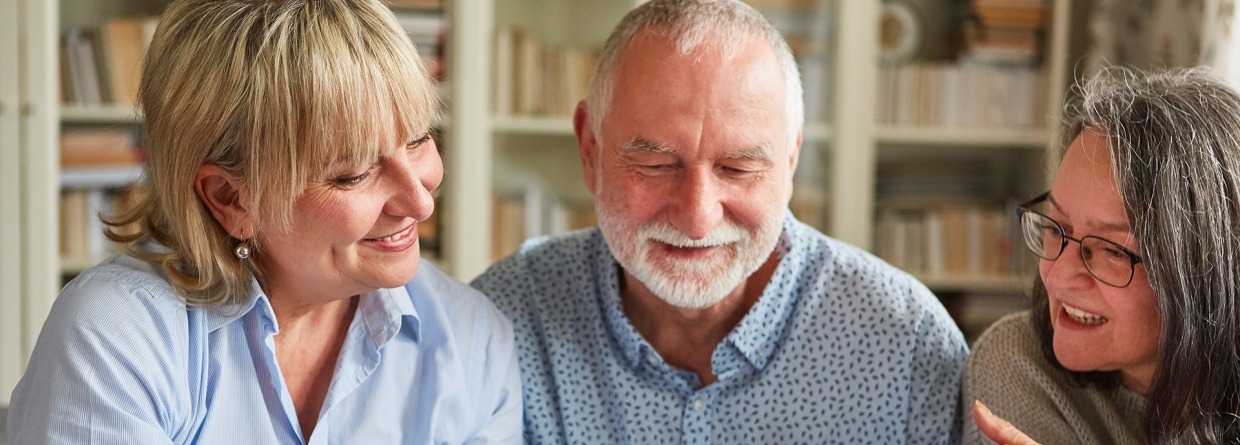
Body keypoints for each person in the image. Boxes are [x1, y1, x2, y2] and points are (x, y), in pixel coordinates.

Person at [7, 0, 521, 443]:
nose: (420, 201)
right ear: (231, 198)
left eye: (418, 140)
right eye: (353, 175)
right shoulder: (118, 335)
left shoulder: (472, 338)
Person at [470, 0, 969, 443]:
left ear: (790, 161)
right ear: (589, 151)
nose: (696, 218)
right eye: (656, 166)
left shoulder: (908, 346)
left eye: (739, 169)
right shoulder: (501, 323)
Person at [962, 67, 1240, 444]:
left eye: (1112, 250)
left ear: (1203, 272)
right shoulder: (1017, 365)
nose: (1057, 276)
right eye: (1056, 227)